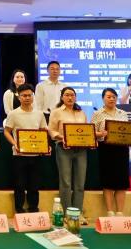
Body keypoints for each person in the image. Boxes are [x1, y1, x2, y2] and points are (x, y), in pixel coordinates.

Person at [92, 88, 131, 216]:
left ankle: (119, 212)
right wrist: (101, 134)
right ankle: (110, 212)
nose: (112, 99)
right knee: (108, 181)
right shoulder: (98, 114)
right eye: (108, 96)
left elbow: (128, 131)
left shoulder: (123, 113)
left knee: (121, 182)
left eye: (114, 96)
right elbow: (91, 132)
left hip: (121, 150)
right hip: (106, 150)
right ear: (103, 98)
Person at [3, 83, 48, 214]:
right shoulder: (13, 114)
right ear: (19, 97)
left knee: (34, 185)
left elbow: (43, 131)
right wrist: (14, 144)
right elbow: (6, 131)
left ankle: (34, 209)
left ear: (33, 96)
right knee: (19, 185)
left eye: (29, 95)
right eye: (24, 96)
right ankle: (19, 210)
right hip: (19, 155)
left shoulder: (39, 114)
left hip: (36, 155)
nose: (27, 98)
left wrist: (45, 146)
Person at [48, 86, 88, 225]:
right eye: (67, 95)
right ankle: (67, 213)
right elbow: (51, 130)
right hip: (63, 148)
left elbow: (85, 131)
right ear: (62, 97)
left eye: (72, 95)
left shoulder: (81, 112)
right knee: (66, 182)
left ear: (75, 97)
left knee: (80, 183)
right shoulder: (56, 112)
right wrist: (62, 137)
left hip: (81, 150)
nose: (70, 97)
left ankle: (78, 214)